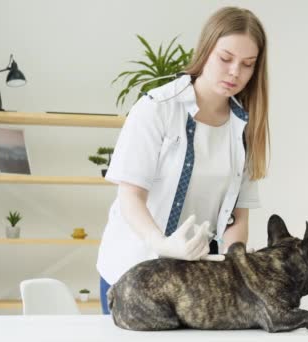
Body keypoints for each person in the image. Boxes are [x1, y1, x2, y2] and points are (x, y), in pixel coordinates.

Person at [96, 6, 270, 314]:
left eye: (247, 64)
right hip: (134, 275)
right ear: (205, 51)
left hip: (195, 285)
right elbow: (131, 197)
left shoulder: (244, 126)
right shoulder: (157, 109)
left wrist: (235, 260)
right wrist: (161, 244)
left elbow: (236, 216)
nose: (235, 72)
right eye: (225, 58)